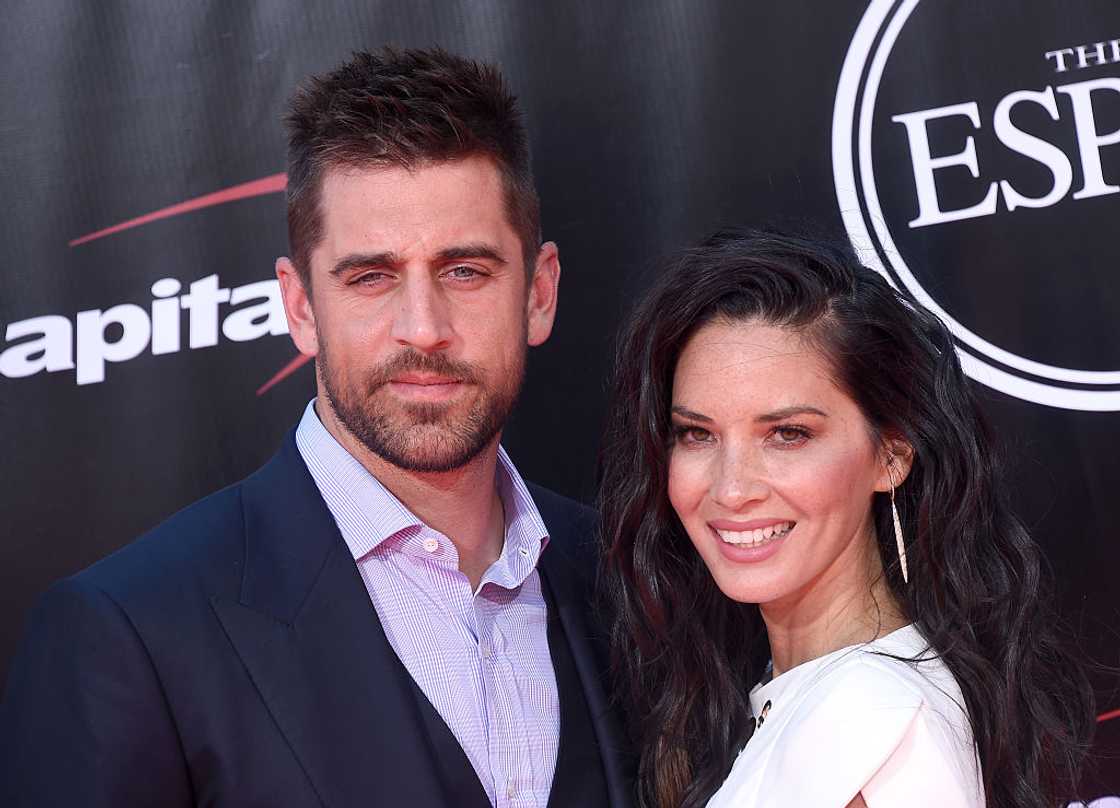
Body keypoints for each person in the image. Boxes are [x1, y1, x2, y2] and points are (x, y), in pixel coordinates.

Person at [1, 47, 630, 808]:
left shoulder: (628, 583)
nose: (423, 328)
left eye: (465, 271)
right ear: (299, 307)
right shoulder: (132, 632)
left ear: (539, 293)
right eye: (371, 277)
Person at [599, 228, 1094, 808]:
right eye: (696, 434)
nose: (731, 489)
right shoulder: (819, 697)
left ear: (890, 455)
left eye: (788, 435)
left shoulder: (864, 719)